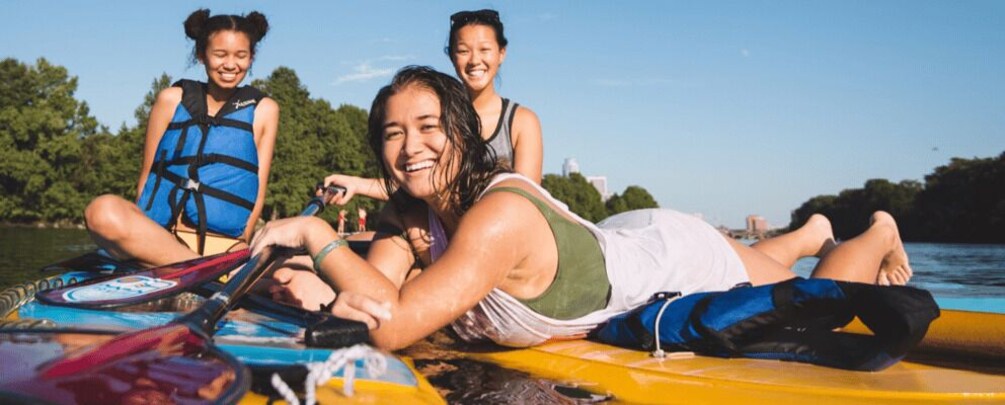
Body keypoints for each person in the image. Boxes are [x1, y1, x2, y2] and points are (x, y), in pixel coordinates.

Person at [251, 66, 912, 350]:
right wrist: (320, 279)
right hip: (607, 240)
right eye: (392, 133)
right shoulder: (406, 217)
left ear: (461, 132)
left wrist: (316, 234)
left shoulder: (496, 215)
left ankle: (871, 229)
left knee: (824, 290)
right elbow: (377, 297)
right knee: (767, 264)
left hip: (665, 254)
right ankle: (804, 230)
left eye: (428, 126)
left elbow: (391, 325)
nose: (410, 146)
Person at [85, 9, 278, 266]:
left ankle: (202, 270)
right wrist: (139, 233)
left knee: (296, 279)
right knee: (101, 210)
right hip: (159, 239)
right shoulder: (170, 99)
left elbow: (259, 190)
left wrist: (242, 243)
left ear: (251, 58)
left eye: (240, 56)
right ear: (201, 55)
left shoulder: (264, 110)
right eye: (220, 55)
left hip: (222, 248)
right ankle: (193, 268)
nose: (230, 64)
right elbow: (148, 174)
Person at [322, 8, 542, 206]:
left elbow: (527, 203)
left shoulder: (521, 121)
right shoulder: (432, 115)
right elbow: (419, 179)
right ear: (451, 56)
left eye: (485, 50)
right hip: (441, 232)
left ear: (501, 53)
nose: (474, 60)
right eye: (463, 51)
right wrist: (356, 184)